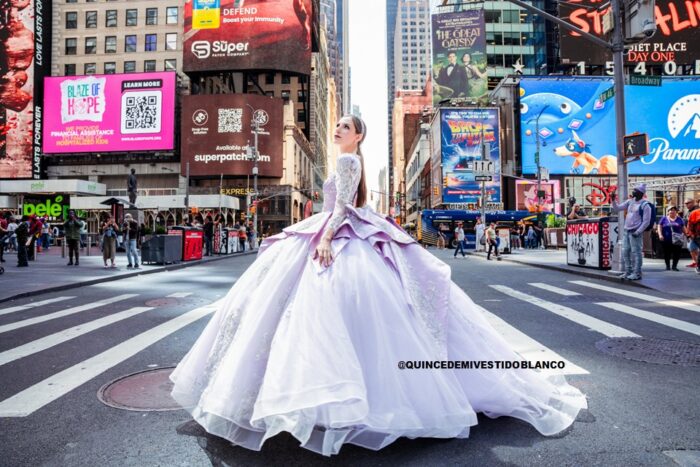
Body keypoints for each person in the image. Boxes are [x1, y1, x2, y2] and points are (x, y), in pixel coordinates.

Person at [170, 115, 587, 457]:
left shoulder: (349, 163)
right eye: (336, 127)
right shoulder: (348, 161)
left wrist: (327, 239)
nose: (337, 131)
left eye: (344, 128)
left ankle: (334, 401)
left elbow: (344, 208)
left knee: (324, 312)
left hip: (338, 232)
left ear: (359, 135)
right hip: (338, 230)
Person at [611, 183, 653, 280]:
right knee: (625, 252)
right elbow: (617, 208)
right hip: (627, 231)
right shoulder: (630, 202)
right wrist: (613, 200)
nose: (633, 191)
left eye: (635, 190)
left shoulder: (645, 205)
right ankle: (628, 272)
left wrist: (638, 232)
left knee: (636, 253)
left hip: (635, 233)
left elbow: (646, 221)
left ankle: (637, 273)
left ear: (640, 193)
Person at [657, 206, 684, 271]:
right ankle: (668, 266)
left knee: (677, 253)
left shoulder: (679, 219)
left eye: (674, 210)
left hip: (677, 240)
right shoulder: (664, 219)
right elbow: (659, 227)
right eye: (670, 210)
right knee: (666, 253)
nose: (672, 211)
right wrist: (660, 235)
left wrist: (687, 235)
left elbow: (683, 228)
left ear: (676, 212)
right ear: (668, 212)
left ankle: (674, 266)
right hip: (666, 239)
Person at [685, 198, 700, 274]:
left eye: (688, 203)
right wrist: (690, 235)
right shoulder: (694, 213)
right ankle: (697, 265)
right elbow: (689, 225)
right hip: (696, 236)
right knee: (692, 249)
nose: (686, 205)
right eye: (685, 203)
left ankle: (697, 264)